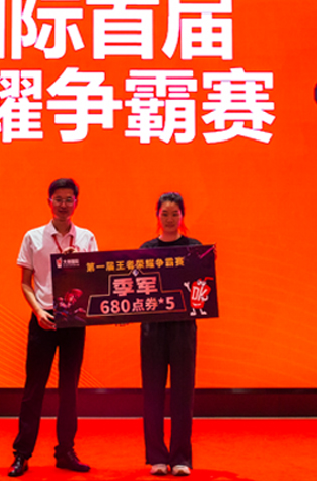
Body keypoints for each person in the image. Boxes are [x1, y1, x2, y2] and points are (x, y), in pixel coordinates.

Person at [9, 178, 97, 477]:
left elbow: (93, 281)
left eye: (69, 199)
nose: (63, 204)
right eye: (58, 199)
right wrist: (38, 311)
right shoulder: (33, 237)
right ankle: (22, 454)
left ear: (76, 202)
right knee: (34, 389)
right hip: (43, 318)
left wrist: (79, 264)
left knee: (69, 390)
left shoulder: (86, 237)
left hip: (74, 320)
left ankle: (66, 451)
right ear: (49, 202)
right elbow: (25, 283)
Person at [140, 192, 201, 477]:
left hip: (183, 328)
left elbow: (203, 286)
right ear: (157, 216)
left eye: (174, 213)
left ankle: (180, 458)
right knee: (152, 394)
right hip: (152, 329)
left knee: (182, 394)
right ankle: (156, 457)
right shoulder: (146, 249)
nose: (169, 219)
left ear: (182, 216)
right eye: (164, 214)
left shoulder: (194, 248)